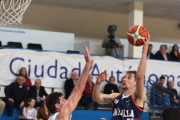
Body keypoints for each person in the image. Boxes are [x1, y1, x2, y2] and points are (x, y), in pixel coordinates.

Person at [93, 33, 150, 120]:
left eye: (129, 77)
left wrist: (145, 51)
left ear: (135, 83)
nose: (125, 79)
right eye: (125, 77)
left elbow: (140, 77)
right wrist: (97, 84)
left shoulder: (138, 97)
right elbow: (96, 98)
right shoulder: (115, 96)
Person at [45, 45, 105, 120]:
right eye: (63, 100)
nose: (67, 100)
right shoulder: (61, 115)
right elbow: (78, 91)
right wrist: (87, 65)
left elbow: (75, 90)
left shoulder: (53, 117)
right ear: (57, 106)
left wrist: (87, 69)